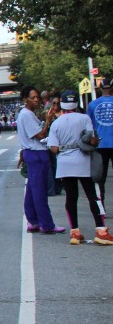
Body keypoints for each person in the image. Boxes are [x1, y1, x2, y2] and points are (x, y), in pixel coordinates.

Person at [49, 91, 112, 245]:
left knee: (71, 197)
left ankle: (75, 233)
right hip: (84, 162)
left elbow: (54, 148)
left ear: (62, 104)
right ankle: (101, 231)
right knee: (93, 196)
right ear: (76, 103)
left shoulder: (56, 123)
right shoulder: (84, 118)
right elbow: (92, 140)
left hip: (65, 164)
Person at [17, 85, 65, 235]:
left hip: (33, 153)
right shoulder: (26, 115)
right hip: (36, 153)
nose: (36, 100)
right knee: (40, 191)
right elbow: (40, 135)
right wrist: (48, 121)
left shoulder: (28, 114)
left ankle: (33, 221)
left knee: (32, 190)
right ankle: (47, 224)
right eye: (33, 98)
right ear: (25, 99)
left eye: (37, 97)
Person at [87, 77, 113, 206]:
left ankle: (101, 207)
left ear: (100, 89)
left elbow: (89, 125)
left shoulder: (92, 105)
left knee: (100, 178)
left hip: (99, 144)